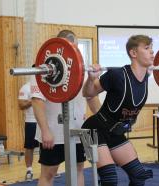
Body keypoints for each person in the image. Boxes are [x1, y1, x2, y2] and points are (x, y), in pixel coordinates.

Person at [82, 35, 154, 186]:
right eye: (147, 48)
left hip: (115, 133)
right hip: (93, 130)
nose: (152, 52)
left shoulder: (146, 76)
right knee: (109, 179)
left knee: (139, 176)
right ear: (133, 53)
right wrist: (91, 78)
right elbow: (88, 94)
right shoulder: (117, 75)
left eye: (151, 48)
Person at [31, 30, 100, 186]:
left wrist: (104, 122)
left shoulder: (81, 69)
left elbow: (91, 96)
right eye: (69, 48)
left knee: (78, 169)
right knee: (49, 172)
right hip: (53, 132)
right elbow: (37, 101)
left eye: (75, 48)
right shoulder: (43, 68)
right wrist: (45, 130)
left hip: (77, 129)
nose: (72, 52)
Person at [18, 80, 39, 181]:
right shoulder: (26, 87)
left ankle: (48, 168)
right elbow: (21, 105)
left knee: (47, 146)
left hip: (45, 120)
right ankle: (29, 170)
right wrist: (33, 100)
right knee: (29, 147)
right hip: (31, 121)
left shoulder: (47, 87)